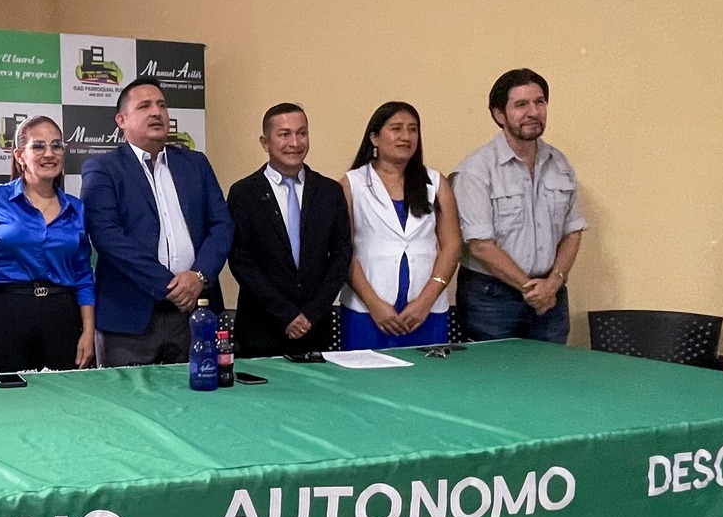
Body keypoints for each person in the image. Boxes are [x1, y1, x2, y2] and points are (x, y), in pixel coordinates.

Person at [80, 77, 233, 366]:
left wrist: (198, 276)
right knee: (130, 395)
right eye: (145, 106)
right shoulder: (103, 169)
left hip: (195, 313)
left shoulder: (196, 163)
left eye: (162, 105)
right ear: (121, 120)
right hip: (130, 320)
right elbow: (107, 236)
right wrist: (171, 286)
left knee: (200, 392)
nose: (156, 112)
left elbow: (222, 225)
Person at [453, 68, 586, 344]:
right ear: (499, 115)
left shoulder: (559, 164)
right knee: (495, 371)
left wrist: (553, 283)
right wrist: (531, 289)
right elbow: (480, 245)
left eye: (540, 102)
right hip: (492, 299)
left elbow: (572, 232)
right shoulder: (476, 170)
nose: (533, 112)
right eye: (521, 104)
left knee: (550, 369)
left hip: (551, 295)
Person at [0, 116, 95, 372]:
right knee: (10, 394)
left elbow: (83, 275)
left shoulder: (76, 208)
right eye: (38, 146)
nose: (49, 153)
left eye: (56, 145)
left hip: (63, 319)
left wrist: (88, 332)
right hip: (7, 317)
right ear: (19, 156)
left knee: (64, 395)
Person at [226, 103, 351, 357]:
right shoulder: (244, 194)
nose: (295, 142)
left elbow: (341, 256)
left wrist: (311, 314)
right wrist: (286, 315)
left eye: (302, 133)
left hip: (315, 329)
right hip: (260, 333)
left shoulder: (329, 192)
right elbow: (242, 262)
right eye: (284, 134)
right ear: (265, 142)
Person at [340, 101, 460, 349]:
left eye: (413, 129)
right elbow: (344, 250)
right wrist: (374, 303)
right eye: (396, 129)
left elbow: (452, 245)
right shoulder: (352, 184)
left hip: (425, 312)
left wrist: (426, 301)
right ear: (374, 137)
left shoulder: (436, 182)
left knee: (426, 373)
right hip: (368, 311)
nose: (406, 137)